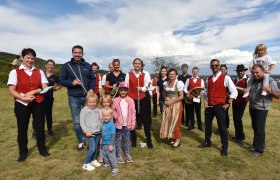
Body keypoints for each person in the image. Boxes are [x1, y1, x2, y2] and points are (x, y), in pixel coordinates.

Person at [7, 48, 50, 162]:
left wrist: (35, 91)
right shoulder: (14, 72)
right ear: (22, 58)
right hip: (21, 104)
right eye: (28, 57)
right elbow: (11, 89)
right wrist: (23, 98)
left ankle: (42, 149)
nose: (30, 60)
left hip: (38, 102)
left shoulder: (39, 72)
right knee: (22, 128)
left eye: (32, 58)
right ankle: (23, 152)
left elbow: (45, 87)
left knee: (40, 127)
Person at [59, 45, 96, 151]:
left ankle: (90, 139)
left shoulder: (88, 66)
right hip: (73, 97)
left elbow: (93, 79)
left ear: (82, 54)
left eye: (79, 53)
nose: (77, 54)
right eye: (75, 52)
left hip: (86, 97)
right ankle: (81, 141)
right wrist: (72, 82)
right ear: (72, 53)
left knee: (89, 119)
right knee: (77, 121)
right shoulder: (67, 66)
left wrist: (92, 89)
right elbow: (61, 80)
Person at [198, 59, 237, 156]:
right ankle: (207, 142)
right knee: (208, 125)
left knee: (222, 128)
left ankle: (224, 148)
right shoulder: (208, 78)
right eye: (212, 66)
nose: (214, 67)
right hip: (210, 106)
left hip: (220, 106)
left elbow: (234, 91)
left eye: (216, 65)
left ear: (219, 66)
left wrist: (229, 102)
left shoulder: (226, 77)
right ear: (210, 67)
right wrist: (205, 101)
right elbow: (206, 92)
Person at [248, 64, 280, 156]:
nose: (255, 74)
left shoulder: (270, 81)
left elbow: (278, 96)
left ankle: (259, 150)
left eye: (257, 72)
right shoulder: (254, 81)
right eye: (253, 73)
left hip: (262, 108)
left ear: (263, 71)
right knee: (255, 127)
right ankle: (255, 144)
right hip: (253, 107)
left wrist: (269, 90)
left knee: (259, 128)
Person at [125, 58, 153, 148]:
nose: (137, 65)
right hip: (132, 98)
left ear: (141, 65)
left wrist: (142, 88)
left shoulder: (146, 74)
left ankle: (149, 140)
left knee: (146, 120)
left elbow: (147, 84)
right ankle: (134, 139)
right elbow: (126, 86)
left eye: (139, 64)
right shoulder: (128, 74)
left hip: (143, 98)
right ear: (133, 65)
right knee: (132, 119)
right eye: (135, 63)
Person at [112, 81, 136, 163]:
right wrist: (117, 117)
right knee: (118, 139)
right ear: (119, 90)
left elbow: (133, 112)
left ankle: (127, 153)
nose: (123, 92)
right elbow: (113, 110)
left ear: (127, 91)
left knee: (127, 139)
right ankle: (118, 154)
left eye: (125, 90)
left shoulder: (131, 100)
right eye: (121, 90)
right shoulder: (115, 100)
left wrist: (133, 123)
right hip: (118, 124)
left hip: (128, 124)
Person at [160, 68, 184, 148]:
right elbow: (163, 92)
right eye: (170, 74)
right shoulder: (166, 83)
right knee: (169, 121)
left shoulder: (178, 83)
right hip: (168, 105)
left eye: (173, 74)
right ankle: (173, 137)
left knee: (176, 122)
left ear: (176, 75)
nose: (171, 75)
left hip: (176, 105)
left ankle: (178, 140)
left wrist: (171, 101)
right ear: (168, 75)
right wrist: (166, 98)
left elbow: (181, 96)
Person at [80, 94, 102, 171]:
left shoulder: (98, 110)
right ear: (87, 102)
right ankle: (86, 164)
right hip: (90, 133)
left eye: (94, 102)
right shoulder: (84, 110)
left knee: (96, 147)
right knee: (92, 148)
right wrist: (86, 131)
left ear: (96, 102)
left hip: (97, 132)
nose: (92, 104)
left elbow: (100, 120)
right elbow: (82, 122)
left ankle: (93, 160)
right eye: (90, 102)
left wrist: (101, 129)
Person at [183, 67, 204, 131]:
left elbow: (203, 90)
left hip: (197, 98)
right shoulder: (188, 80)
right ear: (192, 72)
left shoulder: (201, 80)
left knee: (198, 112)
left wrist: (198, 96)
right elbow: (185, 88)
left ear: (198, 72)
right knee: (190, 112)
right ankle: (191, 125)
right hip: (190, 99)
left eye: (196, 71)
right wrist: (188, 94)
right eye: (194, 71)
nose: (195, 73)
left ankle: (200, 126)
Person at [232, 64, 249, 144]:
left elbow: (247, 91)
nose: (240, 72)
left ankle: (241, 137)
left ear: (244, 71)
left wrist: (241, 90)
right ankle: (237, 135)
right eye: (238, 71)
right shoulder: (236, 79)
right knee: (235, 118)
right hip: (235, 101)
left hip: (242, 101)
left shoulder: (247, 80)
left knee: (238, 118)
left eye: (241, 71)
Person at [101, 107, 119, 176]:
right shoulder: (103, 123)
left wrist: (111, 145)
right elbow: (103, 132)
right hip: (104, 143)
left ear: (111, 116)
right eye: (104, 116)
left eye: (107, 116)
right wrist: (101, 139)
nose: (105, 117)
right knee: (105, 155)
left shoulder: (111, 125)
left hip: (109, 144)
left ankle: (115, 168)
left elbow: (113, 135)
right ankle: (107, 164)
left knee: (111, 157)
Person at [97, 94, 113, 163]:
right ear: (101, 103)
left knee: (109, 142)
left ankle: (110, 154)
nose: (106, 104)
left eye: (107, 102)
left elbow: (112, 120)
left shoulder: (111, 110)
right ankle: (101, 155)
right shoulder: (100, 110)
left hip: (110, 129)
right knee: (102, 142)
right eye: (104, 102)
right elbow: (100, 120)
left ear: (110, 102)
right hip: (103, 129)